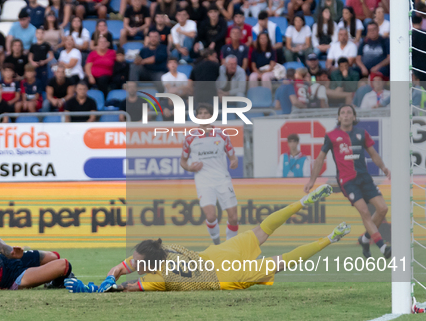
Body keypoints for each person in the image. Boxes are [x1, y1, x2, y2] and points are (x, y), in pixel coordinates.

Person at [67, 185, 349, 292]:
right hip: (216, 254)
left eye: (138, 262)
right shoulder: (162, 248)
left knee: (281, 262)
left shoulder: (158, 278)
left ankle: (330, 238)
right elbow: (126, 265)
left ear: (149, 263)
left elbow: (127, 285)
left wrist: (106, 286)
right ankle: (301, 201)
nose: (134, 263)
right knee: (262, 231)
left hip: (223, 275)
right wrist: (115, 271)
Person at [304, 105, 391, 259]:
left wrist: (383, 167)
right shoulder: (331, 136)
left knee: (383, 209)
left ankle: (365, 239)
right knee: (364, 211)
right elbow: (320, 158)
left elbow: (373, 153)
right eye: (342, 113)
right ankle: (383, 247)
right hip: (347, 181)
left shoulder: (361, 133)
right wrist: (312, 180)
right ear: (338, 118)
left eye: (349, 112)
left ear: (354, 116)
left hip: (365, 178)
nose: (345, 115)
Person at [179, 103, 239, 244]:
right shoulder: (190, 138)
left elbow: (233, 157)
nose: (203, 116)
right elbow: (183, 161)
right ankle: (217, 244)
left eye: (206, 113)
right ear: (197, 117)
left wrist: (234, 162)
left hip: (222, 179)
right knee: (211, 216)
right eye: (200, 113)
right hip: (203, 180)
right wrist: (190, 168)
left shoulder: (222, 135)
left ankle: (231, 247)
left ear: (211, 116)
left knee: (233, 217)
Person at [28, 27, 54, 92]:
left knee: (44, 82)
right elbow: (30, 56)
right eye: (38, 33)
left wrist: (44, 61)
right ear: (35, 34)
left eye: (41, 33)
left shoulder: (46, 45)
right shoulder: (33, 46)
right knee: (35, 82)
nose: (40, 34)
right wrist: (32, 62)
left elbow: (51, 56)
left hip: (43, 67)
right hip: (35, 67)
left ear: (44, 34)